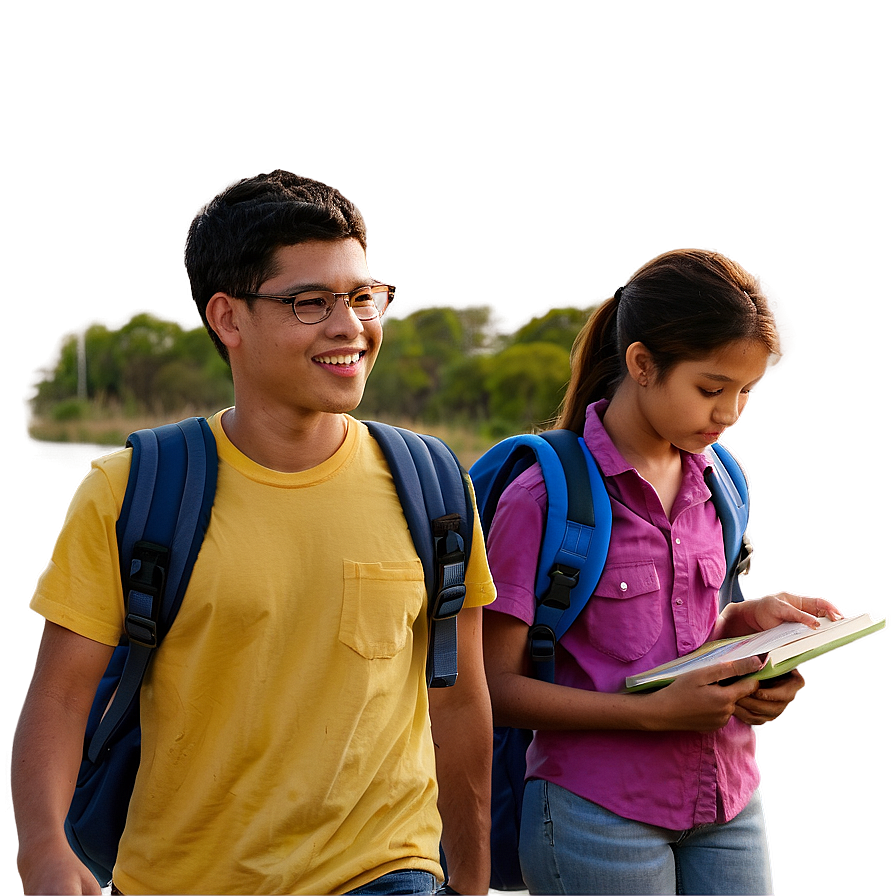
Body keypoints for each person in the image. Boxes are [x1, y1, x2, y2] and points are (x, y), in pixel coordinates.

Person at [11, 170, 496, 896]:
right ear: (227, 319)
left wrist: (474, 880)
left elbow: (457, 702)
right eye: (311, 302)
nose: (350, 326)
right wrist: (45, 846)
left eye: (365, 296)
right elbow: (58, 698)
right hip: (178, 879)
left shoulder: (433, 487)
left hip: (384, 871)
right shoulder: (132, 491)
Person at [481, 249, 842, 895]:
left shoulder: (723, 482)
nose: (730, 413)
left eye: (743, 392)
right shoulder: (543, 498)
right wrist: (649, 715)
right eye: (711, 389)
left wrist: (751, 636)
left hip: (729, 801)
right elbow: (494, 688)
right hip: (597, 812)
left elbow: (686, 635)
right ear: (642, 364)